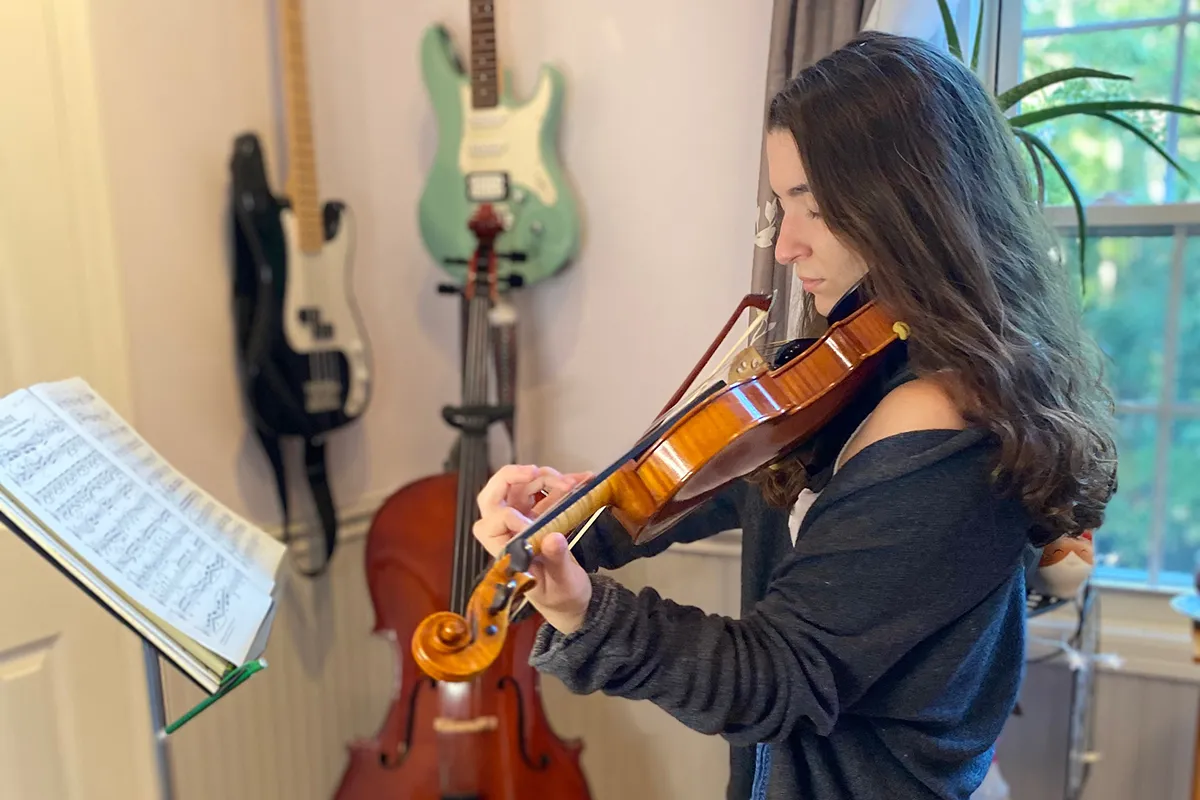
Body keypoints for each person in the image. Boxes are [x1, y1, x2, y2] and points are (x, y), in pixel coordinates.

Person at [468, 31, 1118, 800]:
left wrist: (586, 611)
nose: (785, 245)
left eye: (813, 208)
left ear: (909, 206)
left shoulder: (941, 427)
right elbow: (749, 476)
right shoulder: (871, 366)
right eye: (780, 206)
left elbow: (778, 677)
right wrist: (586, 510)